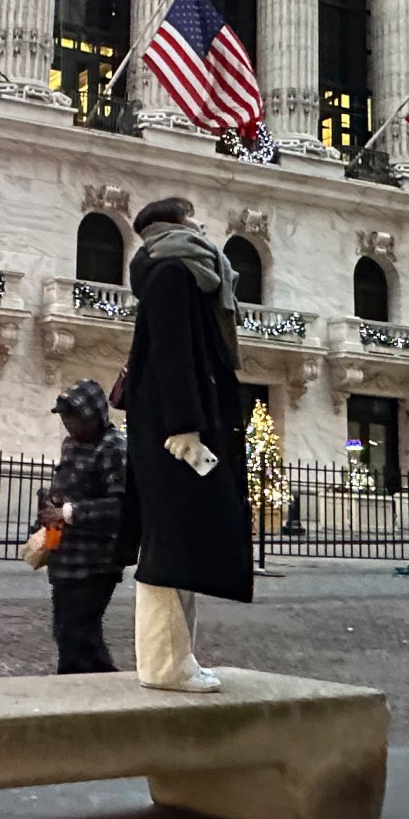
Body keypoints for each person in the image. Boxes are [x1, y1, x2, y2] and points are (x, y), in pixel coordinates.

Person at [113, 197, 254, 693]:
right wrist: (185, 426)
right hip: (175, 433)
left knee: (180, 545)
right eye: (193, 218)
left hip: (172, 426)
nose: (201, 225)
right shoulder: (172, 272)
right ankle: (167, 665)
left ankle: (178, 659)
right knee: (172, 547)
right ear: (173, 226)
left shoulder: (175, 272)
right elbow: (171, 353)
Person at [40, 378, 128, 674]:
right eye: (64, 418)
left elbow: (120, 507)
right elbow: (66, 488)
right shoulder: (71, 444)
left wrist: (67, 512)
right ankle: (87, 690)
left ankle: (81, 692)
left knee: (77, 632)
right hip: (64, 555)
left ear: (94, 415)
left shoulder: (113, 449)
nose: (68, 424)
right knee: (69, 632)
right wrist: (49, 510)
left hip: (95, 560)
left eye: (73, 417)